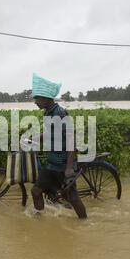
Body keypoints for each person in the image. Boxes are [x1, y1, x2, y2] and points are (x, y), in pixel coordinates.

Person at [30, 73, 87, 219]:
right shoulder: (48, 113)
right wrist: (33, 139)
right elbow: (50, 134)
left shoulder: (60, 113)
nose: (35, 101)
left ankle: (85, 222)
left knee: (72, 198)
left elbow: (71, 139)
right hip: (51, 164)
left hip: (63, 165)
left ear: (45, 98)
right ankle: (39, 223)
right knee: (36, 191)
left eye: (37, 98)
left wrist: (69, 167)